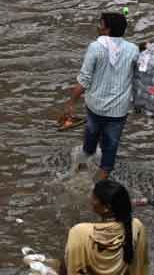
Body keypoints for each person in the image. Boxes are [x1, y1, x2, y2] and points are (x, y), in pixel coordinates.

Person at [64, 11, 140, 181]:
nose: (98, 27)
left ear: (107, 29)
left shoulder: (96, 47)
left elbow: (84, 80)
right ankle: (98, 191)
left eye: (101, 24)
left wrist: (70, 103)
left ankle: (80, 174)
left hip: (95, 108)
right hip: (118, 112)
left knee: (89, 145)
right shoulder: (133, 50)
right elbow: (138, 79)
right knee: (109, 155)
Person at [60, 180, 149, 275]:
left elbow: (69, 268)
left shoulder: (80, 231)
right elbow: (140, 266)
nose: (91, 200)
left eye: (94, 198)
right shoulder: (136, 226)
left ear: (106, 208)